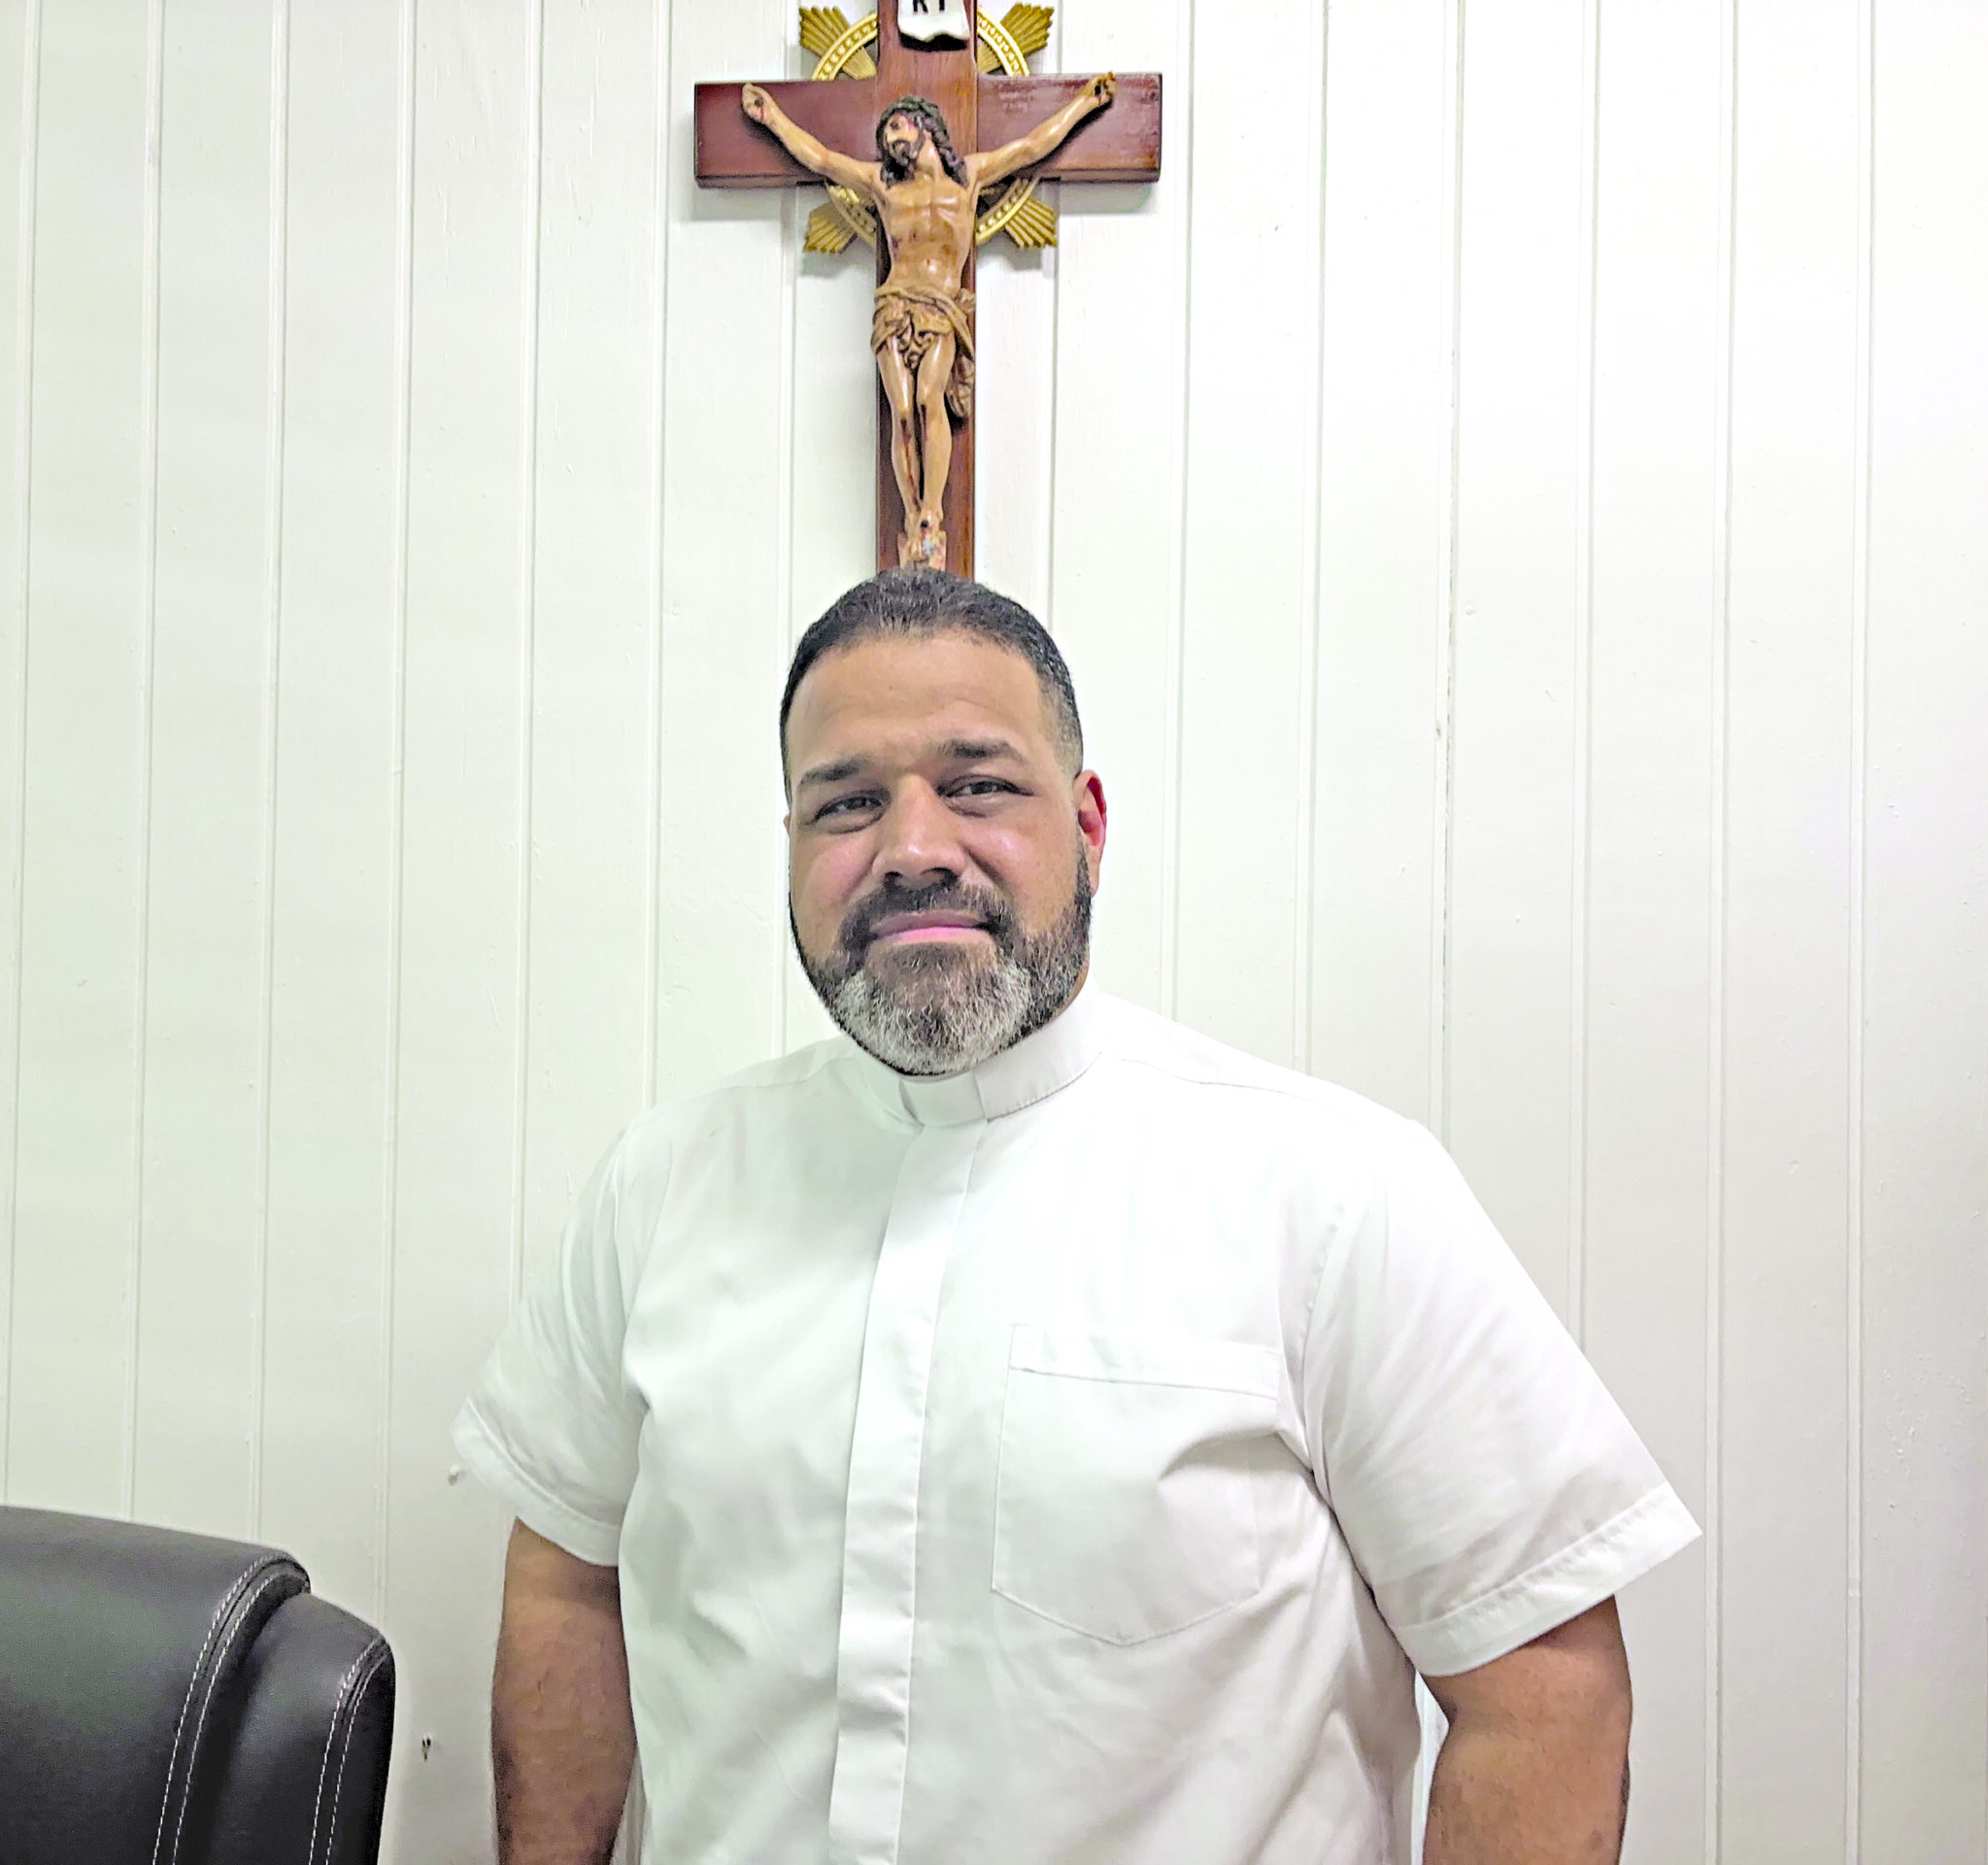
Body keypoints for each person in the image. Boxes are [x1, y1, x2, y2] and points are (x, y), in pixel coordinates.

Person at [456, 568, 1698, 1864]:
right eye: (847, 802)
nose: (913, 848)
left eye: (978, 786)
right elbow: (566, 1588)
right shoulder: (661, 1187)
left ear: (1089, 825)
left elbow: (1543, 1695)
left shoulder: (1331, 1194)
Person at [740, 81, 1115, 568]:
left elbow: (1031, 147)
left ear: (925, 126)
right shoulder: (884, 186)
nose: (891, 140)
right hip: (894, 305)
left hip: (940, 306)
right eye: (886, 136)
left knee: (926, 398)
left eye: (897, 127)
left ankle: (932, 512)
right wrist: (772, 118)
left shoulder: (970, 177)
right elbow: (823, 159)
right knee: (901, 412)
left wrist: (1083, 103)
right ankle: (913, 514)